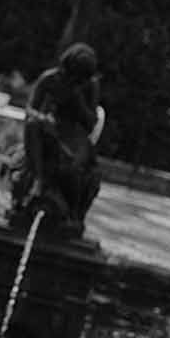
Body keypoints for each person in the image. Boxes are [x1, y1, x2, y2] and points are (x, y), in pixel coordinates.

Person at [7, 43, 103, 237]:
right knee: (33, 126)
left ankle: (72, 215)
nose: (75, 81)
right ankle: (38, 179)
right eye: (72, 76)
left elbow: (91, 122)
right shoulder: (50, 79)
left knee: (73, 169)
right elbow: (30, 109)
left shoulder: (89, 86)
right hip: (50, 129)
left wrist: (79, 102)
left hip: (75, 137)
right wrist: (43, 118)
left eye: (79, 79)